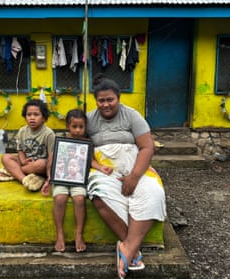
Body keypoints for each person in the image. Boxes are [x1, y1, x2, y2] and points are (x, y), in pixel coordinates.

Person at [86, 78, 167, 279]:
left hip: (135, 168)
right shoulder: (88, 120)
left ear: (118, 98)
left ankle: (127, 248)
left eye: (110, 100)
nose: (105, 104)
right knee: (99, 194)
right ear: (95, 101)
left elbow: (147, 147)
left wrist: (134, 176)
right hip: (104, 170)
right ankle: (131, 246)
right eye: (101, 100)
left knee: (153, 192)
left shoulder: (132, 116)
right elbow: (79, 147)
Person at [41, 109, 111, 253]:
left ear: (85, 127)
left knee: (79, 199)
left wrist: (101, 167)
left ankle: (79, 234)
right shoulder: (61, 142)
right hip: (60, 179)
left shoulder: (87, 143)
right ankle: (59, 234)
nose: (78, 130)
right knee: (59, 199)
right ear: (68, 126)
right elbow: (51, 162)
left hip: (78, 179)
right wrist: (49, 178)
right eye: (74, 127)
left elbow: (91, 161)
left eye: (81, 127)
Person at [0, 99, 55, 192]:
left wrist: (49, 176)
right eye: (29, 115)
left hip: (39, 165)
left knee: (41, 164)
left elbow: (51, 157)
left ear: (44, 118)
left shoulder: (49, 134)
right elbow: (20, 149)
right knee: (5, 158)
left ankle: (12, 172)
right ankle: (24, 179)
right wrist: (23, 160)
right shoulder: (22, 131)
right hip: (26, 161)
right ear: (25, 117)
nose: (32, 118)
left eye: (36, 115)